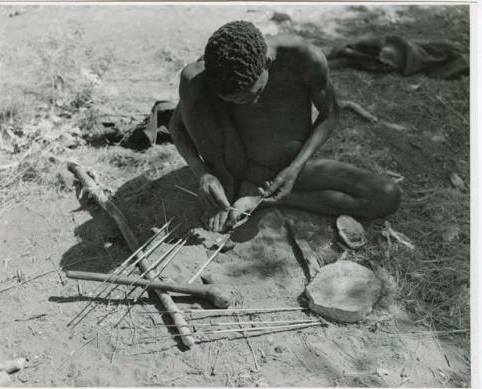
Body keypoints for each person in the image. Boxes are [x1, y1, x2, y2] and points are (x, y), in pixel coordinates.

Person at [169, 20, 400, 232]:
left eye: (254, 93)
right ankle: (231, 187)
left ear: (267, 63)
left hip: (283, 169)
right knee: (190, 80)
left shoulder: (303, 58)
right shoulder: (208, 74)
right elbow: (177, 128)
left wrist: (294, 169)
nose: (250, 103)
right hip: (230, 168)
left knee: (386, 196)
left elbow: (329, 114)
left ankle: (263, 199)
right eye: (236, 100)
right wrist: (203, 174)